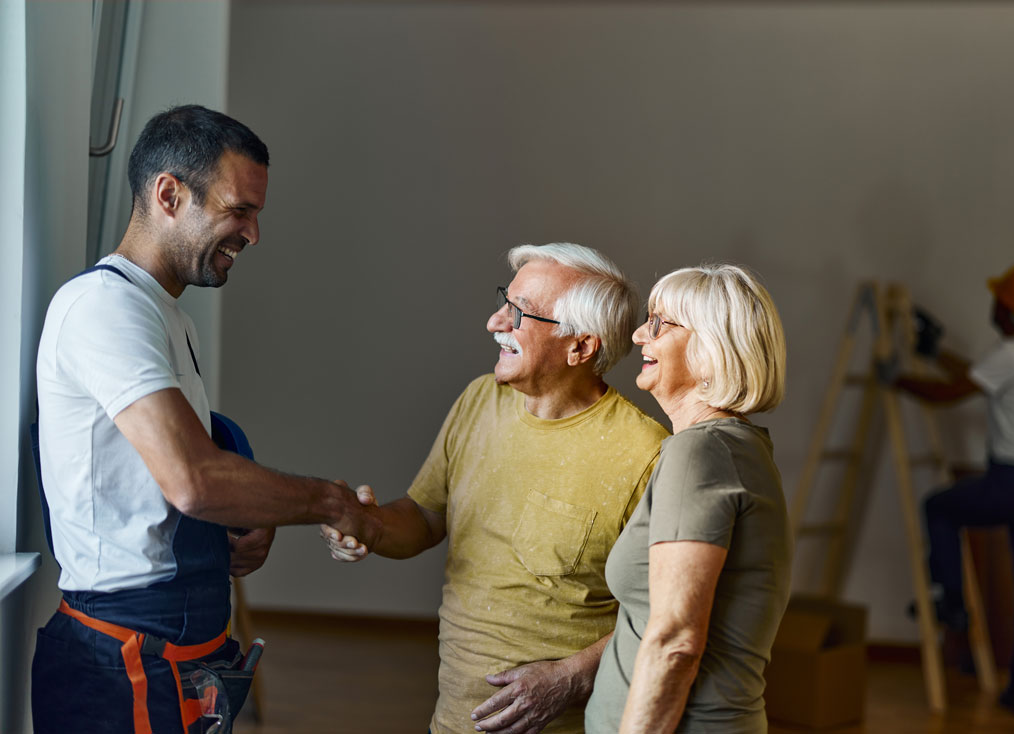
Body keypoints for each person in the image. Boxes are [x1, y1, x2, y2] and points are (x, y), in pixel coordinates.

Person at [32, 105, 376, 734]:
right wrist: (329, 503)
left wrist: (249, 518)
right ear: (169, 194)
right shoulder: (103, 307)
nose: (252, 233)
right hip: (122, 656)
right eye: (239, 209)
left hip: (175, 646)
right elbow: (192, 480)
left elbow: (171, 475)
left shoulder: (169, 317)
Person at [323, 243, 669, 734]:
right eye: (505, 300)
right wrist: (367, 525)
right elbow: (424, 517)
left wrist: (568, 679)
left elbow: (665, 617)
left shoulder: (647, 453)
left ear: (581, 347)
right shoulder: (480, 399)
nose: (494, 321)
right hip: (451, 721)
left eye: (519, 313)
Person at [584, 264, 793, 734]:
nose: (639, 334)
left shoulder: (703, 451)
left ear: (710, 348)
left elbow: (676, 641)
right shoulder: (734, 446)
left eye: (659, 323)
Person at [892, 264, 1014, 718]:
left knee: (939, 507)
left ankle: (952, 604)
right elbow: (977, 375)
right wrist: (936, 353)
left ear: (1007, 310)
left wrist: (896, 378)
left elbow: (950, 392)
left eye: (998, 299)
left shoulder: (1010, 355)